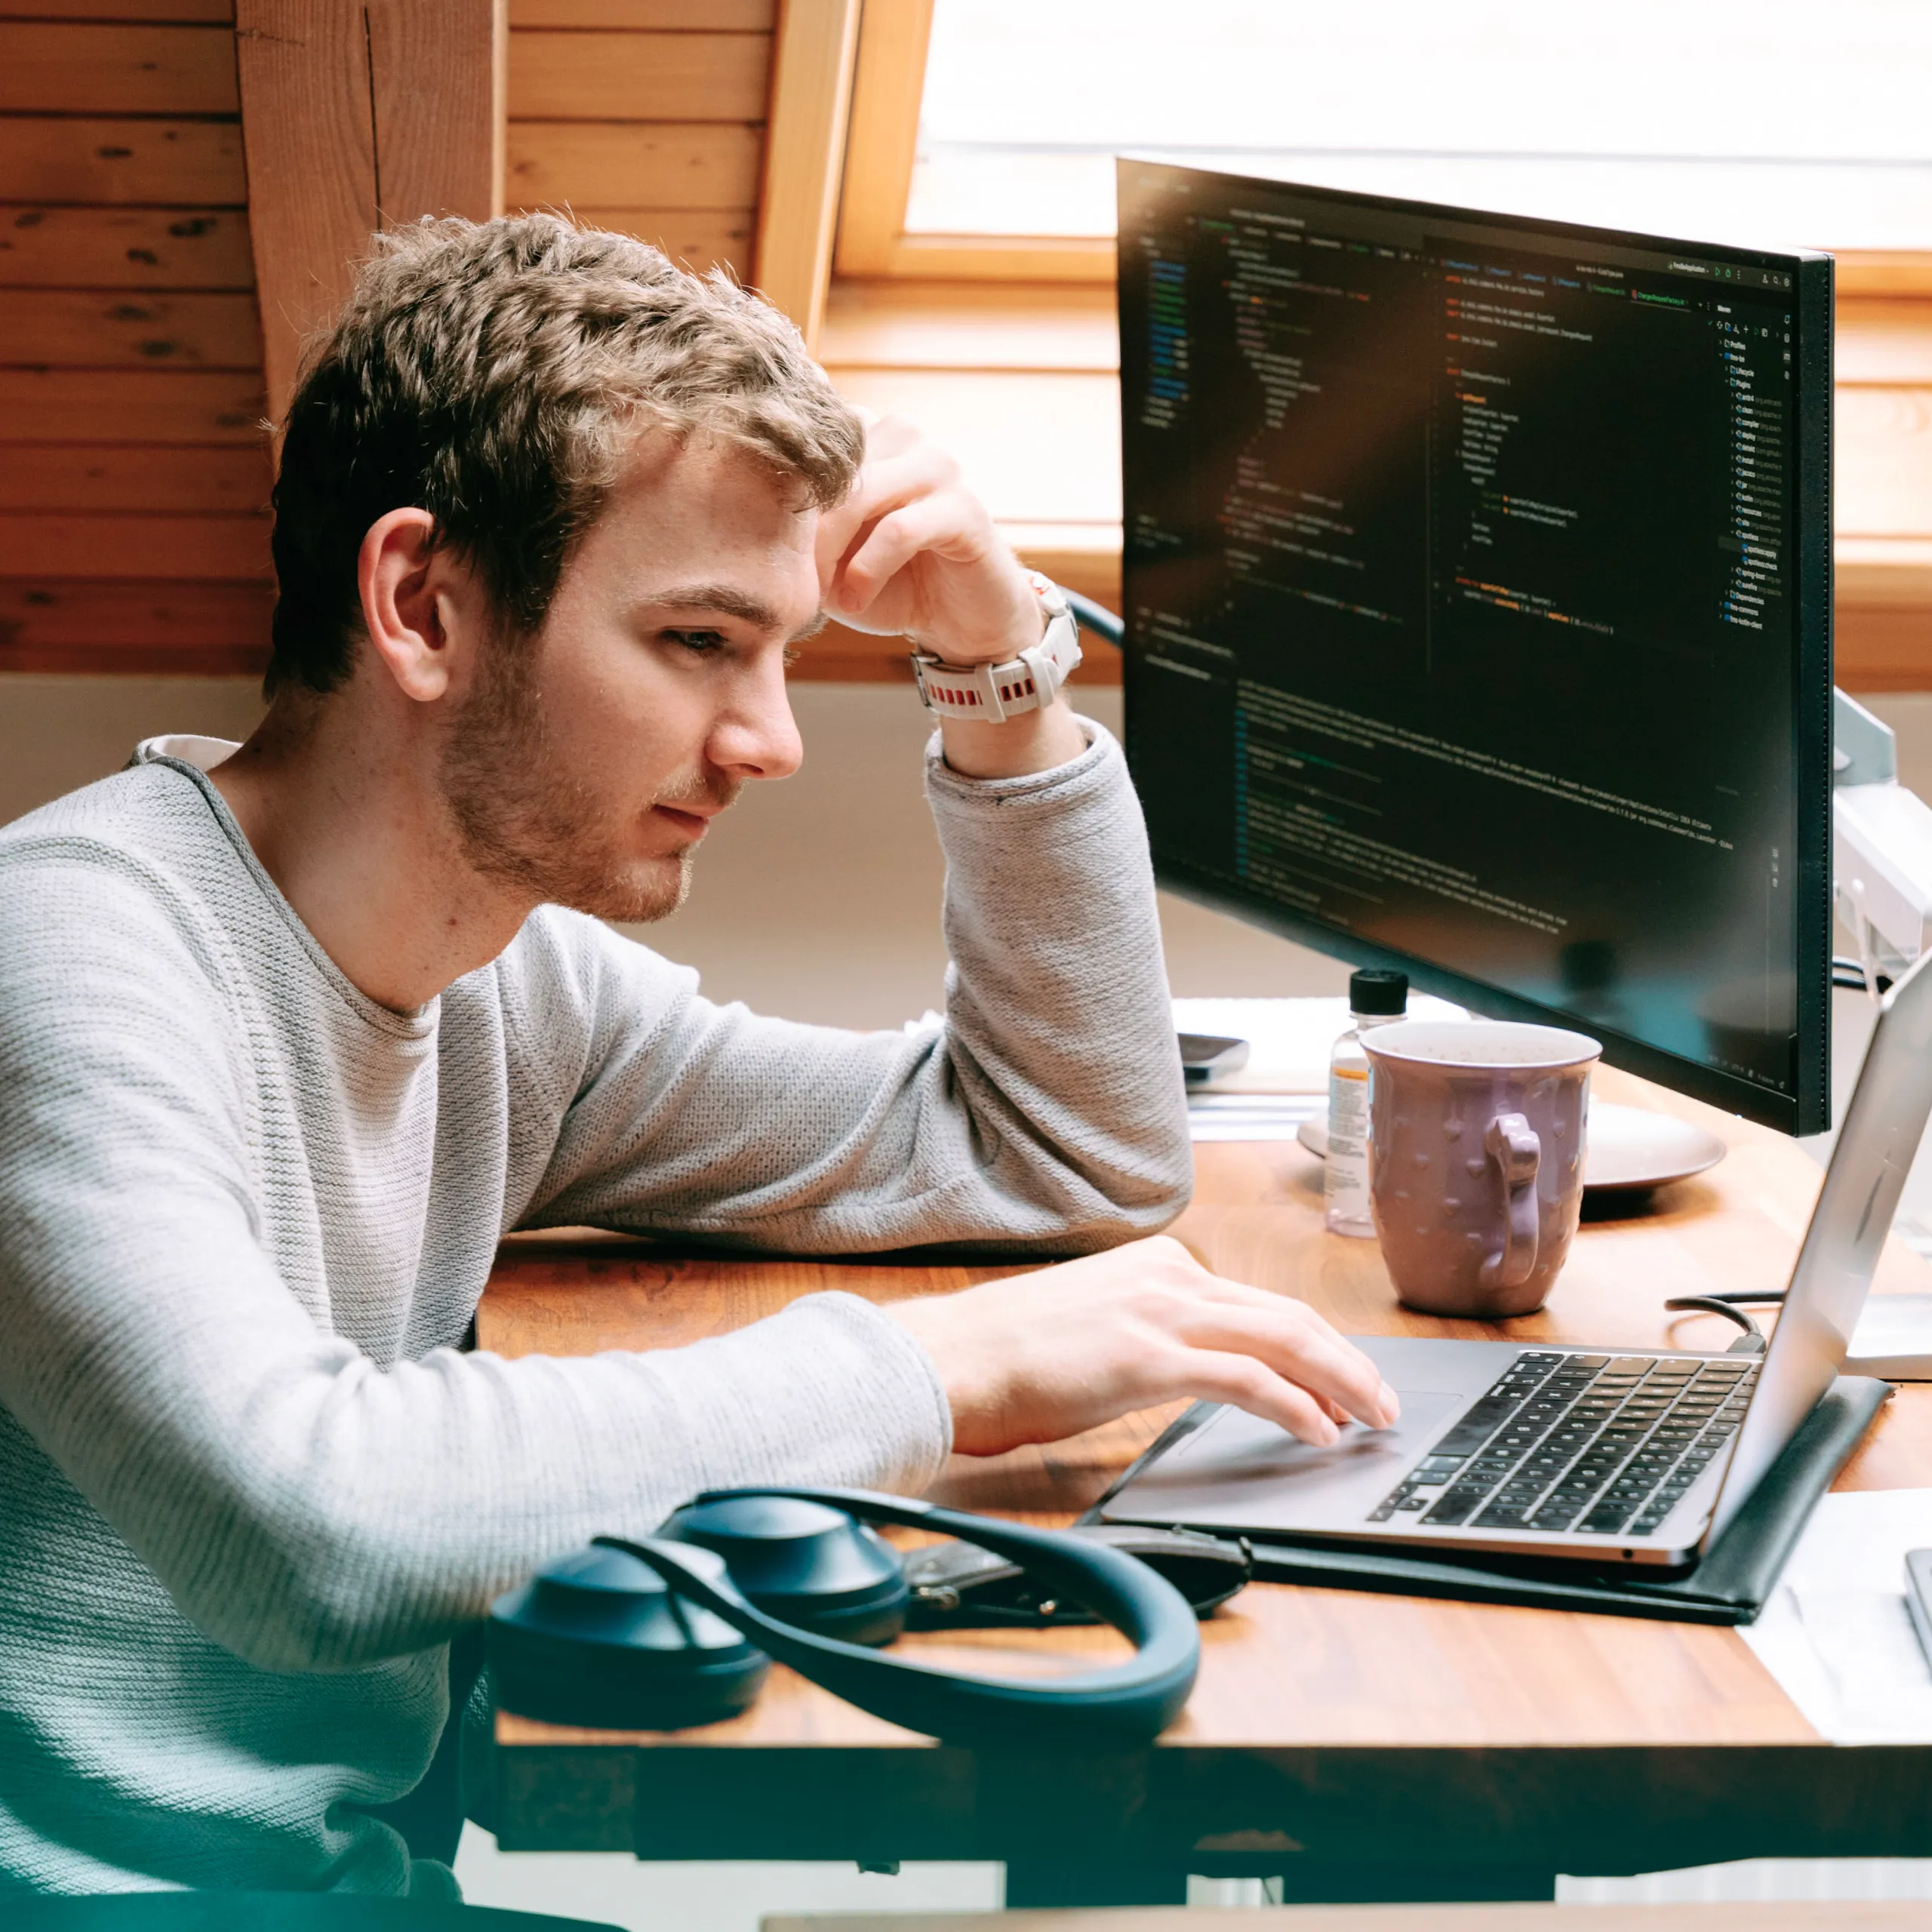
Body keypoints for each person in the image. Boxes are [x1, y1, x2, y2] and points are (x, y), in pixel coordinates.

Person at [0, 215, 1397, 1897]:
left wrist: (1000, 669)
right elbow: (306, 1521)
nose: (775, 740)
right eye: (696, 642)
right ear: (421, 604)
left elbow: (1061, 1156)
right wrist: (942, 1377)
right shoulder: (69, 957)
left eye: (786, 652)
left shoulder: (514, 991)